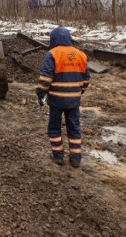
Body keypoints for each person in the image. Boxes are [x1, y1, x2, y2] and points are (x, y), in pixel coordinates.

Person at [36, 27, 90, 168]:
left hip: (56, 100)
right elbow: (86, 79)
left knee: (54, 127)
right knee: (74, 127)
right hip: (73, 100)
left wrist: (40, 94)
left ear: (53, 40)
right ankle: (76, 158)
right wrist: (78, 92)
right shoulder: (81, 55)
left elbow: (46, 79)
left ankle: (58, 155)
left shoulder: (52, 54)